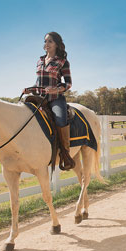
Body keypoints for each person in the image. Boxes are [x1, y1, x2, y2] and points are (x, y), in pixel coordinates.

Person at [24, 32, 75, 170]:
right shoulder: (39, 60)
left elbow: (68, 84)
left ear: (56, 44)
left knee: (60, 119)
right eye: (45, 41)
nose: (46, 44)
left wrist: (55, 89)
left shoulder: (62, 62)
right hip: (38, 98)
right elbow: (38, 82)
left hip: (54, 99)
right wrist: (30, 89)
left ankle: (65, 154)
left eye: (50, 41)